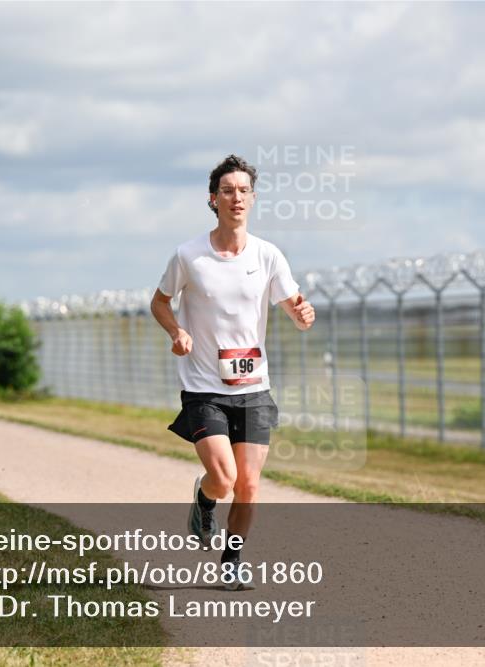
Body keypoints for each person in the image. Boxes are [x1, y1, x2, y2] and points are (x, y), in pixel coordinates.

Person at [150, 154, 316, 591]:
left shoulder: (268, 255)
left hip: (254, 387)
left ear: (253, 199)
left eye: (243, 191)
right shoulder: (189, 256)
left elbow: (295, 309)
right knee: (223, 479)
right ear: (213, 199)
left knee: (249, 486)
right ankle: (204, 500)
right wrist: (177, 330)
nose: (236, 198)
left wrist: (303, 315)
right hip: (204, 387)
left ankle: (232, 559)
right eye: (227, 191)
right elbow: (160, 302)